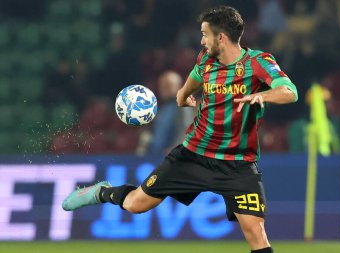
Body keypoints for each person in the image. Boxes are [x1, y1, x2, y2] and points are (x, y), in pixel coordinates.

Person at [62, 6, 298, 253]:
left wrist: (263, 96)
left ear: (221, 37)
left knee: (256, 234)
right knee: (136, 204)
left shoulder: (258, 62)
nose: (201, 40)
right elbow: (193, 79)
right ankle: (100, 192)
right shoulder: (206, 61)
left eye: (205, 34)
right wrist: (183, 95)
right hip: (193, 156)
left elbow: (289, 91)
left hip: (237, 164)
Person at [137, 70, 194, 155]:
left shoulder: (182, 106)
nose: (164, 89)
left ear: (179, 86)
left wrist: (176, 149)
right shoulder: (163, 108)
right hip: (157, 156)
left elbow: (185, 129)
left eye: (168, 85)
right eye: (161, 86)